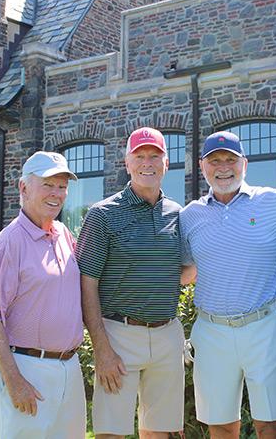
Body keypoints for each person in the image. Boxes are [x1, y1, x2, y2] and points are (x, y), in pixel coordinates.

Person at [179, 131, 276, 439]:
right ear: (202, 166)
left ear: (244, 164)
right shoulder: (190, 216)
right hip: (211, 330)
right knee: (220, 423)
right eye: (214, 161)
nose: (223, 167)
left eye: (230, 160)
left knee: (271, 423)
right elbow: (183, 271)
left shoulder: (272, 201)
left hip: (264, 326)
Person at [76, 127, 190, 439]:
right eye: (140, 156)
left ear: (166, 163)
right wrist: (101, 349)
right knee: (110, 431)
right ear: (127, 163)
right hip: (118, 335)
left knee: (161, 432)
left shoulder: (178, 214)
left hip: (167, 335)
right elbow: (87, 282)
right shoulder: (102, 215)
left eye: (155, 156)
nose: (147, 163)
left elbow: (183, 272)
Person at [0, 151, 85, 439]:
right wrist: (14, 381)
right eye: (48, 184)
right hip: (26, 371)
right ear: (23, 188)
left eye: (62, 186)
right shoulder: (8, 244)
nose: (57, 194)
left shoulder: (63, 234)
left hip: (69, 370)